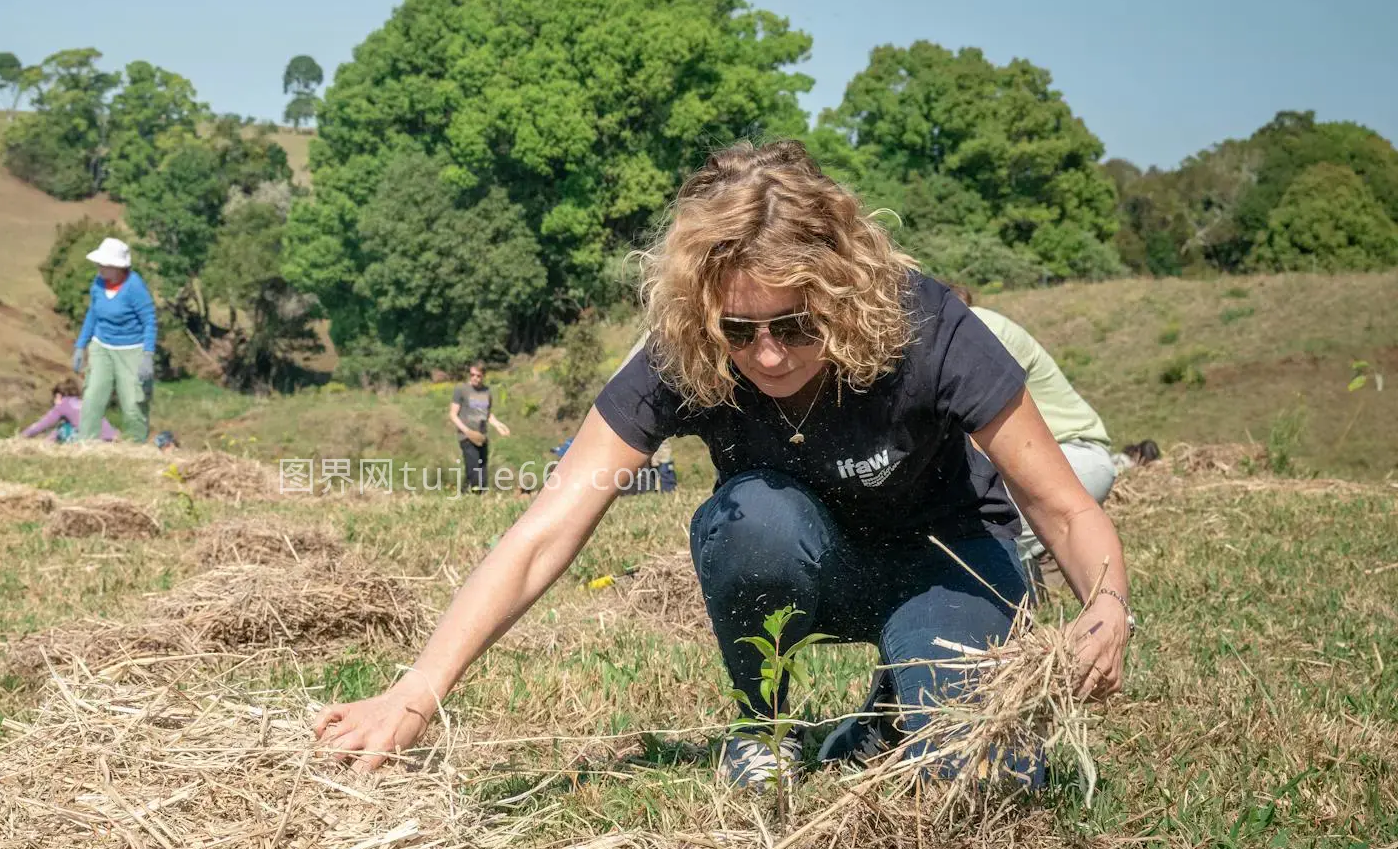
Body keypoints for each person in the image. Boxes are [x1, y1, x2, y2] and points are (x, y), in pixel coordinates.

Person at [315, 141, 1132, 789]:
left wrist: (1105, 604)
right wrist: (416, 691)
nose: (768, 355)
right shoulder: (688, 350)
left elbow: (1063, 506)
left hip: (948, 565)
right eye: (740, 331)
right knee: (752, 519)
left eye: (796, 324)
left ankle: (894, 711)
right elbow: (545, 530)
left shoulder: (929, 326)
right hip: (809, 561)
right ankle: (762, 725)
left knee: (980, 776)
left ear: (843, 290)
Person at [949, 288, 1119, 577]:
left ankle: (1036, 572)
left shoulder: (972, 330)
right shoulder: (969, 326)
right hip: (1064, 458)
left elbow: (973, 438)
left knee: (970, 508)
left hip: (1073, 455)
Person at [71, 237, 156, 443]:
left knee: (132, 403)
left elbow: (150, 320)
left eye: (105, 265)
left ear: (119, 268)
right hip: (102, 346)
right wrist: (80, 345)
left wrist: (147, 355)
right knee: (92, 397)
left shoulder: (134, 287)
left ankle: (135, 446)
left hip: (131, 349)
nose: (99, 268)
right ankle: (87, 443)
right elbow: (93, 314)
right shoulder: (98, 284)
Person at [449, 362, 512, 493]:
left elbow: (487, 414)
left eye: (478, 375)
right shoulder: (461, 390)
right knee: (473, 468)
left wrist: (499, 426)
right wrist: (467, 431)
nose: (475, 378)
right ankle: (476, 494)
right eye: (472, 375)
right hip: (466, 436)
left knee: (482, 469)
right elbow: (453, 414)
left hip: (481, 436)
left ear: (483, 376)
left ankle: (466, 493)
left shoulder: (486, 391)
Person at [19, 375, 119, 443]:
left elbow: (42, 425)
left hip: (92, 440)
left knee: (62, 429)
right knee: (67, 425)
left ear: (58, 396)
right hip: (109, 437)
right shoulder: (84, 403)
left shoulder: (63, 404)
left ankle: (48, 444)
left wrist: (22, 437)